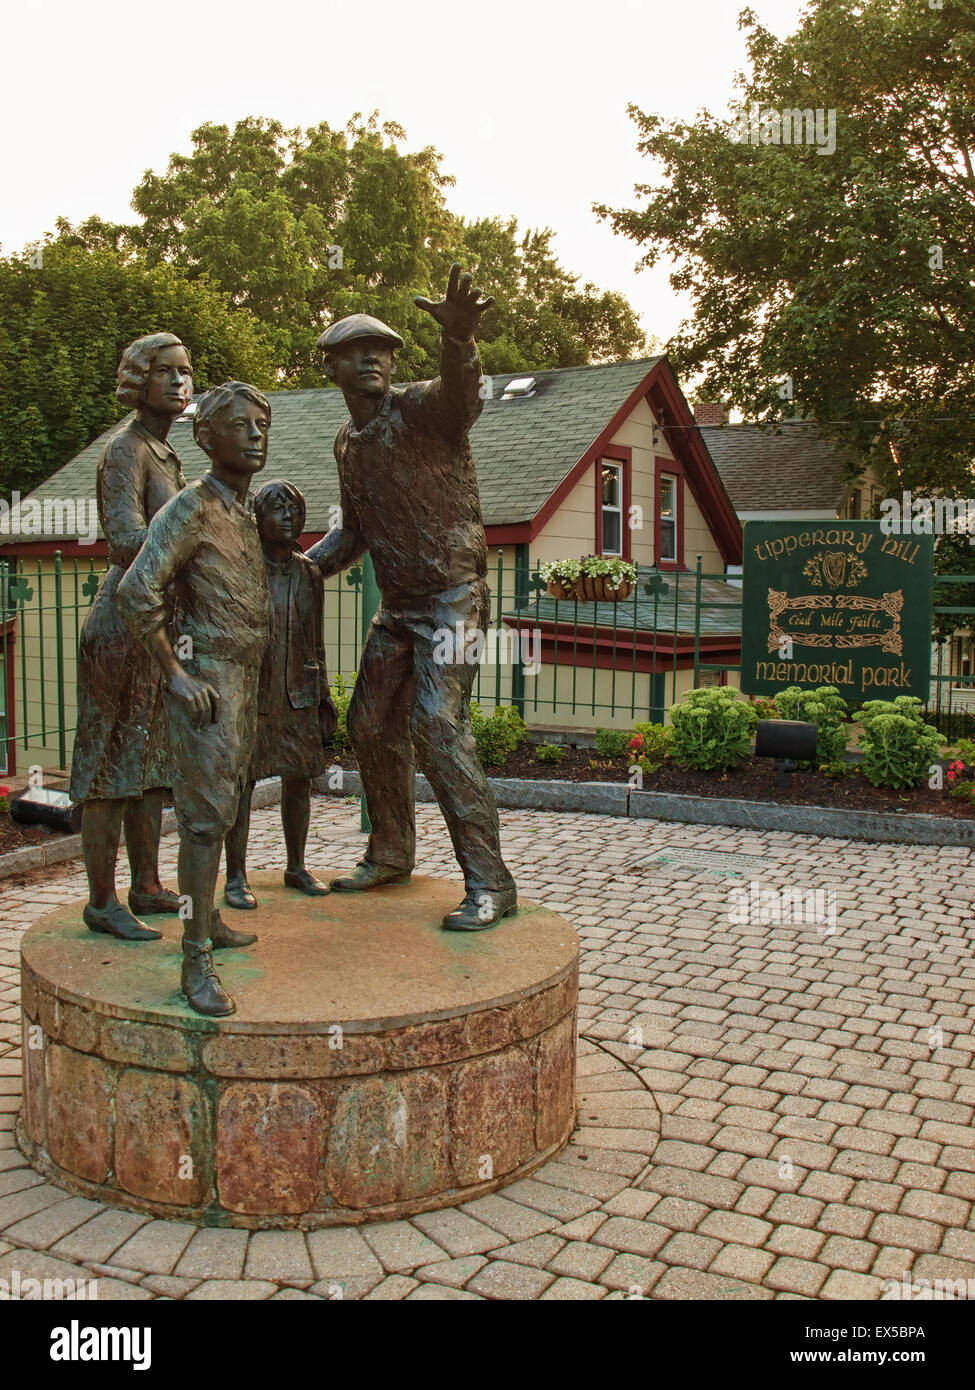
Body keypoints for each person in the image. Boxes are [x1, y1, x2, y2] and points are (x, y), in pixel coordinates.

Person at [307, 265, 517, 932]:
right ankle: (390, 851)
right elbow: (353, 530)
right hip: (397, 609)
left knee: (436, 724)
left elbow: (464, 397)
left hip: (454, 599)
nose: (372, 360)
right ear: (333, 368)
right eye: (356, 353)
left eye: (383, 351)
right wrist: (297, 569)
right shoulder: (348, 444)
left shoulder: (425, 410)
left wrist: (459, 340)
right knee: (368, 724)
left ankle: (490, 881)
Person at [118, 382, 271, 1017]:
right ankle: (195, 958)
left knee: (228, 806)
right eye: (243, 425)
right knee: (205, 821)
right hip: (207, 682)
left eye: (263, 424)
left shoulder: (244, 510)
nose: (257, 435)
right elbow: (136, 591)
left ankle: (208, 917)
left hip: (245, 681)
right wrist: (176, 677)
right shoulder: (190, 507)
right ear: (207, 436)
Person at [70, 333, 192, 941]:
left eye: (185, 372)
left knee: (150, 760)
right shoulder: (125, 450)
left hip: (155, 626)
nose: (178, 382)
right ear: (138, 381)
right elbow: (125, 540)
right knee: (111, 764)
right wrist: (192, 549)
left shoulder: (166, 454)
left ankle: (146, 884)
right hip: (121, 624)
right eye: (165, 372)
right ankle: (101, 900)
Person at [223, 479, 337, 910]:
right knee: (243, 784)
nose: (288, 516)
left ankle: (296, 865)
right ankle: (236, 875)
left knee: (299, 781)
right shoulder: (244, 569)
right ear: (258, 519)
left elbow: (317, 639)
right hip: (254, 696)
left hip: (299, 694)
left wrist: (322, 693)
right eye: (277, 508)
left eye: (294, 508)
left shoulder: (309, 573)